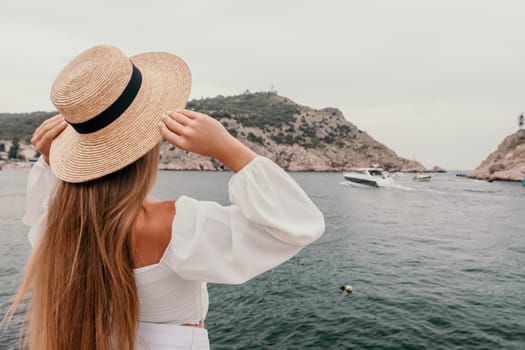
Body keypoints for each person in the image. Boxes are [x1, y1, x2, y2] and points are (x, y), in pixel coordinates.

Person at [3, 45, 325, 349]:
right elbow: (297, 225)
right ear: (148, 145)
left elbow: (40, 213)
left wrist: (50, 164)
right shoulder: (171, 226)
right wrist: (231, 151)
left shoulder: (59, 223)